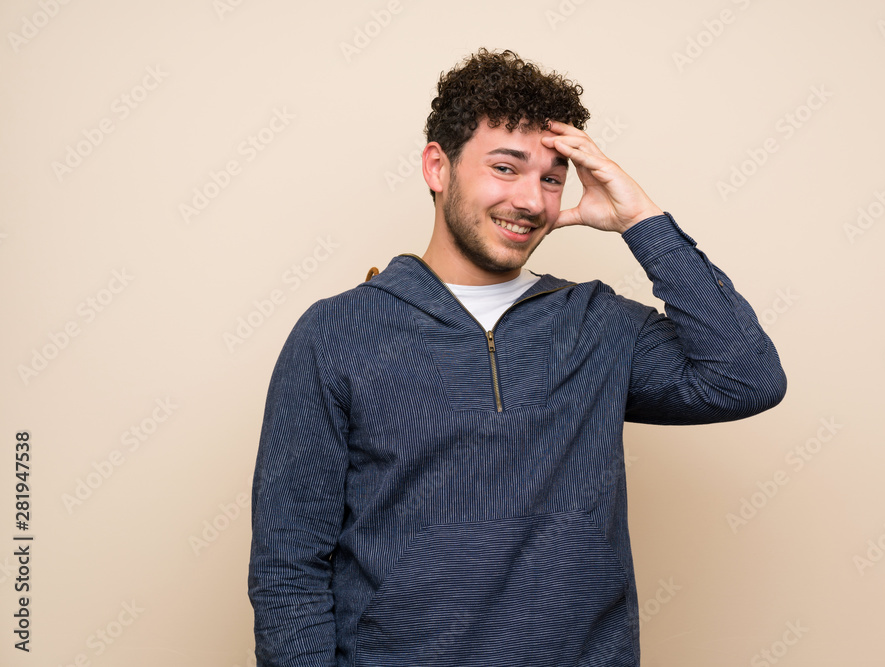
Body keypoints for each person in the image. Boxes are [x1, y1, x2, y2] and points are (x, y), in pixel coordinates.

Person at [249, 48, 786, 666]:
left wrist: (642, 220)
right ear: (437, 167)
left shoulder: (598, 325)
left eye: (552, 179)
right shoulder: (337, 332)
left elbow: (746, 378)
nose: (531, 200)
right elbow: (287, 568)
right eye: (506, 168)